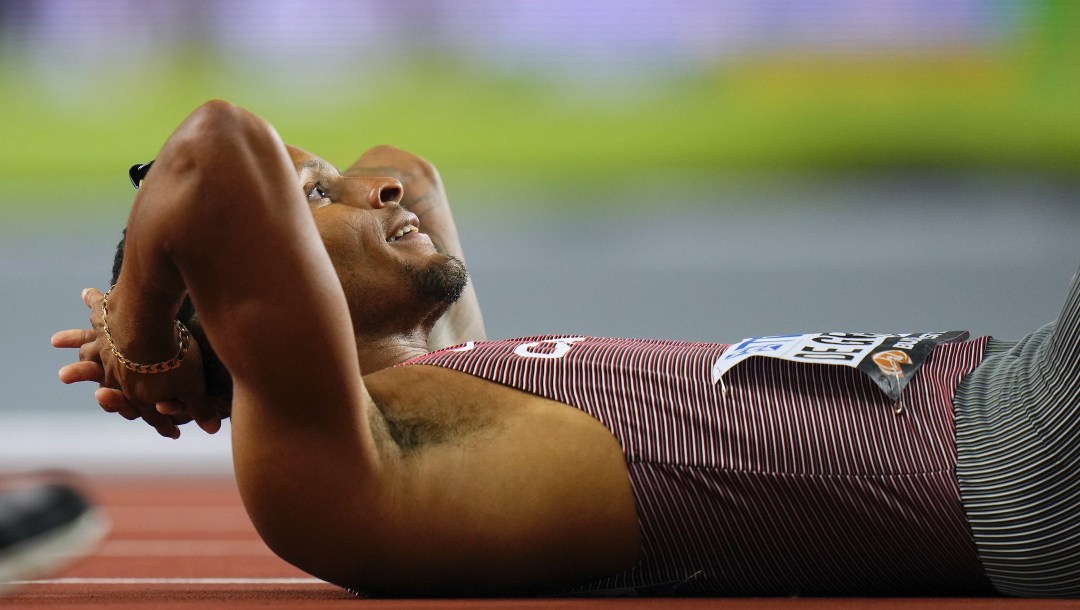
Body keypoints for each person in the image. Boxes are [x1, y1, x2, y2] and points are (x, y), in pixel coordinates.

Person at [51, 100, 1080, 597]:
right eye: (314, 198)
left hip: (999, 386)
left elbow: (404, 165)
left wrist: (185, 309)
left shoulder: (443, 375)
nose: (383, 190)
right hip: (1014, 466)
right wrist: (144, 338)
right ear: (246, 306)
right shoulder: (349, 467)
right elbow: (215, 151)